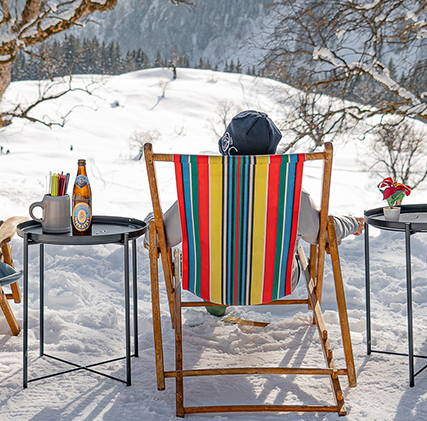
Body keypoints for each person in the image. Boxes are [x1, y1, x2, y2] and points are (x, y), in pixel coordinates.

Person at [150, 110, 363, 312]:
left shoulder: (199, 192)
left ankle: (218, 300)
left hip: (210, 281)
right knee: (295, 244)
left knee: (210, 248)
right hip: (274, 282)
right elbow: (322, 233)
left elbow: (161, 237)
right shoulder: (290, 192)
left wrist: (151, 219)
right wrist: (352, 222)